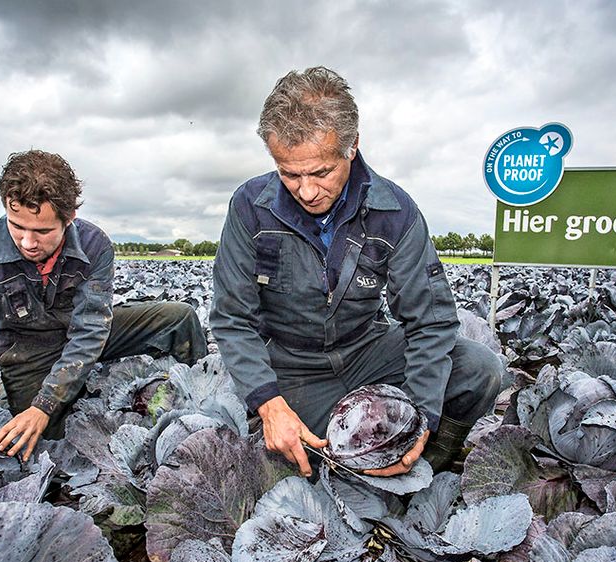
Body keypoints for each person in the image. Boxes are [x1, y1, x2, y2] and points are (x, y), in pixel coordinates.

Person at [210, 67, 501, 478]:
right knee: (290, 468)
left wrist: (418, 420)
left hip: (369, 352)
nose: (307, 191)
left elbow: (430, 322)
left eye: (321, 172)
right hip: (293, 367)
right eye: (289, 174)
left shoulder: (394, 212)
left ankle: (426, 465)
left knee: (479, 368)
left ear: (352, 147)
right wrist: (269, 403)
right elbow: (232, 319)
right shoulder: (249, 207)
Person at [0, 149, 207, 461]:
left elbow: (89, 332)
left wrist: (46, 402)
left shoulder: (95, 245)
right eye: (17, 226)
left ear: (68, 219)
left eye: (42, 231)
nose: (28, 242)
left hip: (82, 335)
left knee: (179, 318)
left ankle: (203, 407)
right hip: (26, 352)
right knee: (47, 444)